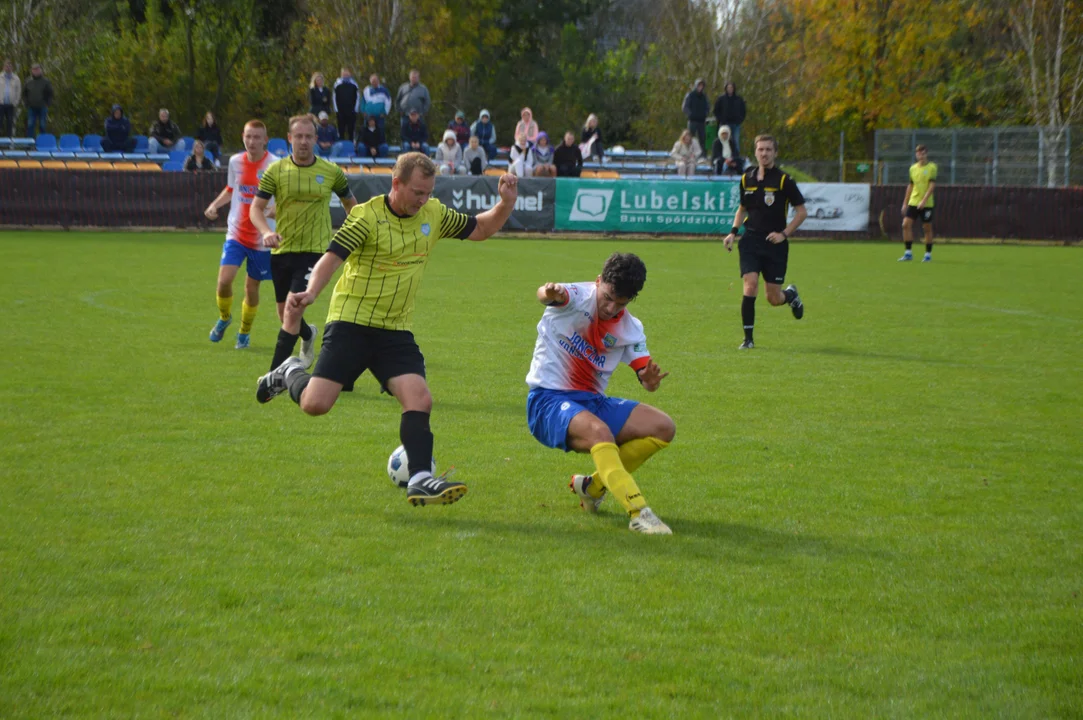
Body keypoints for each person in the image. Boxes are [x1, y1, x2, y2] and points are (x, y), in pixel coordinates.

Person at [255, 153, 520, 508]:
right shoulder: (366, 216)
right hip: (351, 321)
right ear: (396, 184)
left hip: (395, 330)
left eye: (428, 192)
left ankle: (422, 478)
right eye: (417, 192)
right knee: (316, 405)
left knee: (419, 399)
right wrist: (312, 293)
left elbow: (483, 228)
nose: (423, 200)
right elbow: (331, 258)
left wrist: (506, 203)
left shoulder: (434, 214)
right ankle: (290, 372)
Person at [527, 252, 675, 535]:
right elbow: (547, 295)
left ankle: (592, 487)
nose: (610, 308)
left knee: (663, 427)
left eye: (620, 303)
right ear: (598, 281)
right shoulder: (575, 295)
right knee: (600, 432)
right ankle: (638, 513)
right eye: (607, 297)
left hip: (592, 402)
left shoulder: (631, 328)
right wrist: (548, 291)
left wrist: (651, 382)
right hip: (548, 400)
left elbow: (645, 375)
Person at [249, 114, 358, 377]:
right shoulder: (276, 171)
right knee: (285, 314)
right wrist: (265, 232)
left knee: (292, 308)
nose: (304, 141)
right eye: (298, 136)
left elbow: (352, 206)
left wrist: (350, 235)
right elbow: (256, 208)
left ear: (316, 139)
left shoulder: (331, 171)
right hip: (282, 251)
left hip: (315, 251)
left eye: (309, 136)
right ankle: (308, 335)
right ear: (289, 138)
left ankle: (273, 376)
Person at [722, 134, 808, 350]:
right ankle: (748, 339)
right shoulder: (746, 178)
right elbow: (742, 209)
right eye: (761, 149)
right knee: (750, 286)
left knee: (773, 298)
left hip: (775, 244)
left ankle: (790, 296)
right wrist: (733, 232)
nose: (764, 153)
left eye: (768, 149)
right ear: (755, 152)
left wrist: (784, 234)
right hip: (750, 240)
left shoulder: (783, 180)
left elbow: (801, 212)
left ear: (775, 153)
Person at [203, 120, 279, 349]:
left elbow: (285, 196)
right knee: (224, 281)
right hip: (236, 233)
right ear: (242, 137)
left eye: (257, 137)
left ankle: (244, 333)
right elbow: (231, 189)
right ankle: (225, 318)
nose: (252, 141)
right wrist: (214, 205)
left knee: (251, 288)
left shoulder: (276, 166)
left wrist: (275, 210)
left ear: (265, 140)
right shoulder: (235, 162)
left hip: (262, 238)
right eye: (248, 136)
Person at [899, 144, 938, 262]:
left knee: (927, 228)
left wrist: (924, 200)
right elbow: (911, 185)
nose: (921, 155)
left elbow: (932, 186)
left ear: (926, 154)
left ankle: (927, 254)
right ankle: (908, 253)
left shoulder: (932, 167)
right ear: (916, 155)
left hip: (926, 203)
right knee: (905, 224)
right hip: (914, 201)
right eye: (919, 153)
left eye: (923, 153)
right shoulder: (913, 168)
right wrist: (905, 203)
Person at [396, 69, 431, 142]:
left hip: (418, 117)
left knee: (419, 136)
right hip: (405, 115)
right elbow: (397, 100)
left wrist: (422, 113)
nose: (414, 79)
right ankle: (405, 150)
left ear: (419, 78)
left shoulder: (423, 89)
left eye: (416, 77)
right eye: (412, 77)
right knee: (404, 135)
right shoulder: (403, 87)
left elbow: (427, 102)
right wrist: (399, 110)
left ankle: (419, 151)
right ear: (409, 77)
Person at [713, 82, 746, 155]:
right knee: (722, 141)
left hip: (736, 124)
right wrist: (720, 119)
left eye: (731, 87)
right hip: (724, 124)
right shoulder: (721, 99)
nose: (730, 89)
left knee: (736, 141)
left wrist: (740, 119)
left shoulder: (739, 99)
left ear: (734, 89)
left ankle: (736, 157)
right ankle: (721, 156)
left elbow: (743, 110)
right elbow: (716, 111)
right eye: (728, 88)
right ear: (726, 88)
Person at [23, 63, 52, 139]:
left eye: (38, 69)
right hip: (31, 107)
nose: (36, 71)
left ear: (41, 70)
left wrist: (47, 104)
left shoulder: (46, 81)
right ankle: (29, 145)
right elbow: (24, 93)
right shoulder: (28, 81)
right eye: (34, 69)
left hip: (43, 107)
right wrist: (26, 103)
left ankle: (42, 144)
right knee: (30, 125)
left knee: (42, 125)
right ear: (32, 71)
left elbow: (50, 93)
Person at [333, 67, 360, 142]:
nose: (345, 74)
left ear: (350, 73)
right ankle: (341, 147)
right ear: (341, 74)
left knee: (351, 130)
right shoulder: (337, 84)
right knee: (341, 130)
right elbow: (334, 98)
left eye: (347, 72)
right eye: (344, 73)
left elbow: (357, 97)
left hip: (351, 111)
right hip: (340, 112)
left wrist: (355, 110)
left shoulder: (354, 84)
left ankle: (351, 147)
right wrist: (336, 110)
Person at [682, 78, 709, 153]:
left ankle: (702, 155)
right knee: (689, 138)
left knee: (702, 139)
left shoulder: (704, 96)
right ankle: (688, 153)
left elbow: (708, 107)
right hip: (692, 121)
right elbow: (684, 107)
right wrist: (691, 114)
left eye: (702, 85)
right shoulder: (690, 95)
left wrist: (705, 114)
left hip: (701, 121)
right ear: (696, 86)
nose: (700, 87)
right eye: (699, 85)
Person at [1, 60, 20, 138]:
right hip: (1, 104)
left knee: (10, 123)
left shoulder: (16, 79)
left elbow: (18, 91)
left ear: (12, 68)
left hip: (11, 105)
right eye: (6, 66)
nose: (8, 68)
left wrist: (15, 102)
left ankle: (9, 143)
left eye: (9, 66)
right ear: (3, 67)